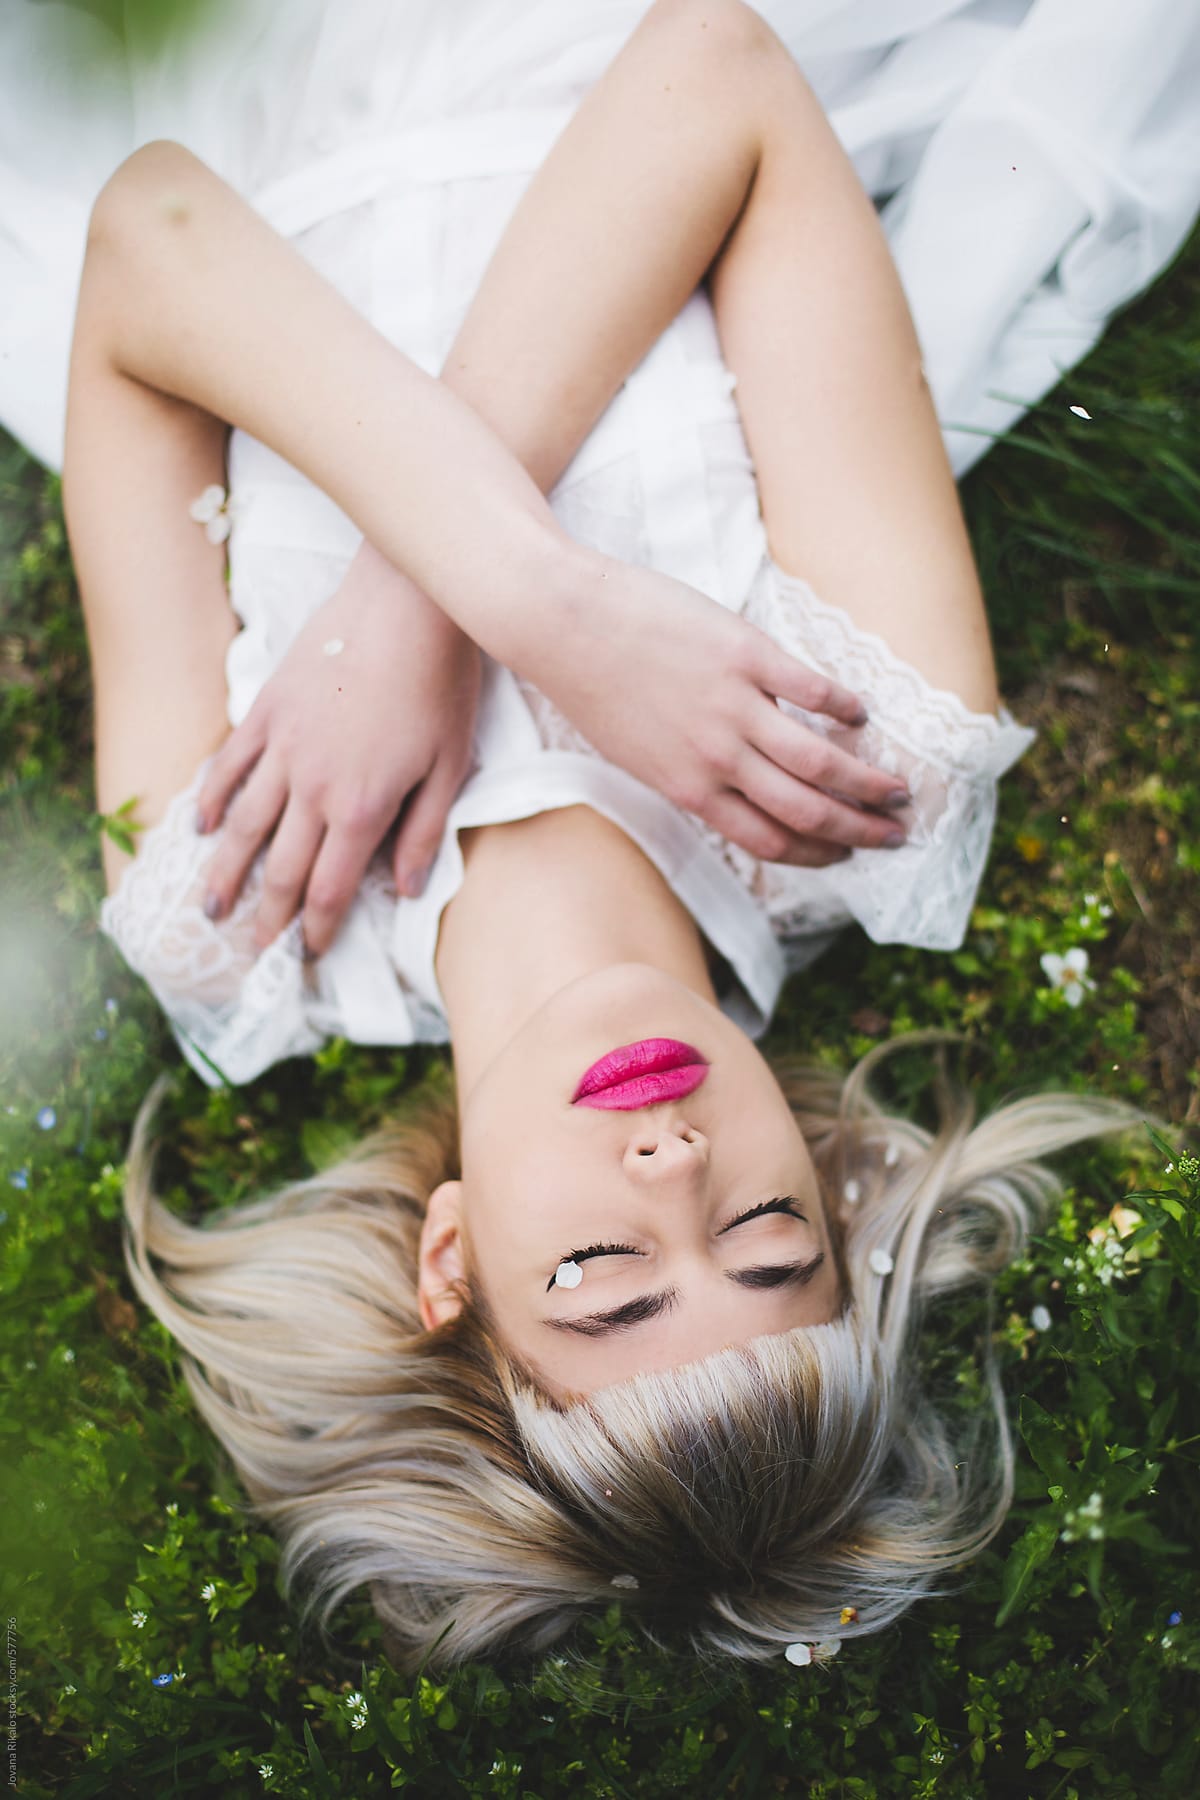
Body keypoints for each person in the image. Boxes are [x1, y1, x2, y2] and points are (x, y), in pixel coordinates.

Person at [44, 0, 1163, 1669]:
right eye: (768, 1246)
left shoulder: (238, 911)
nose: (675, 1173)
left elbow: (149, 231)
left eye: (605, 1277)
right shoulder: (867, 773)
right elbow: (713, 68)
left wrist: (436, 608)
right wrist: (536, 612)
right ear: (836, 1207)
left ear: (451, 1264)